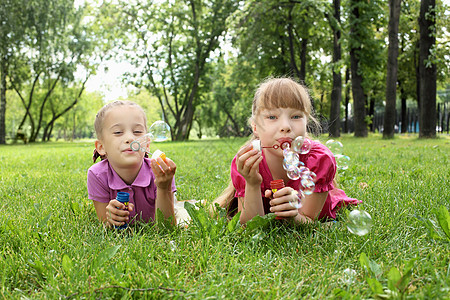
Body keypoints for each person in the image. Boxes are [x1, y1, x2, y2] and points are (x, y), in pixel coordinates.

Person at [214, 77, 360, 224]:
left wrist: (295, 217)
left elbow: (310, 221)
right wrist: (252, 183)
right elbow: (250, 226)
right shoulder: (247, 162)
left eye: (296, 116)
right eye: (272, 117)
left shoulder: (318, 159)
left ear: (306, 122)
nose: (285, 126)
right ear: (255, 127)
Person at [87, 100, 177, 228]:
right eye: (118, 132)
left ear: (147, 144)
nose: (130, 138)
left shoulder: (160, 172)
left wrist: (164, 187)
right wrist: (111, 218)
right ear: (101, 147)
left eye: (137, 132)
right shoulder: (97, 175)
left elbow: (167, 228)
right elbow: (105, 224)